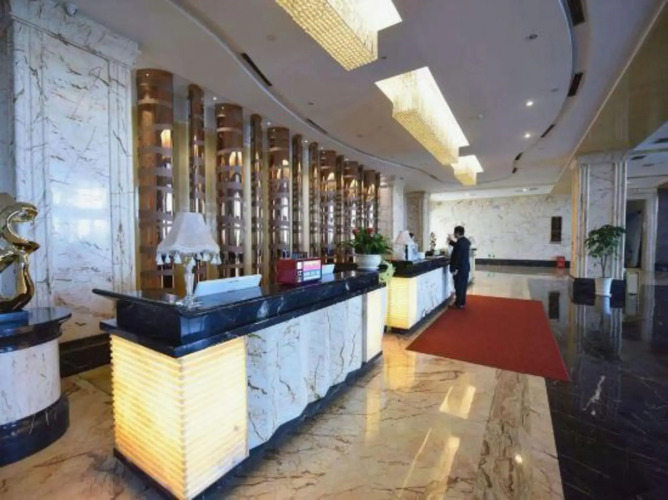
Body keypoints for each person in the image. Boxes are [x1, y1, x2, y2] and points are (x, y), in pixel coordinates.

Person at [448, 225, 471, 309]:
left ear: (457, 233)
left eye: (454, 233)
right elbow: (459, 247)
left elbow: (457, 256)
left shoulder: (459, 243)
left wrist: (454, 269)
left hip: (459, 268)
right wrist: (451, 242)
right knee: (463, 286)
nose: (454, 234)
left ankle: (459, 303)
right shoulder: (466, 241)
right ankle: (462, 303)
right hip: (465, 267)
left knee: (458, 286)